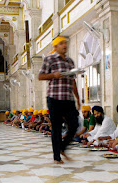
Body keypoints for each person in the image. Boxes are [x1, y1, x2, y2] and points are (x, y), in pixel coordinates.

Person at [38, 36, 80, 164]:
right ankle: (57, 157)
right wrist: (53, 75)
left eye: (65, 43)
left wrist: (78, 98)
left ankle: (62, 147)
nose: (65, 46)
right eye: (61, 44)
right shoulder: (49, 59)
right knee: (56, 128)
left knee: (74, 125)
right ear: (55, 47)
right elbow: (40, 76)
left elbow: (73, 81)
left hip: (68, 99)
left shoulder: (70, 62)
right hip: (54, 98)